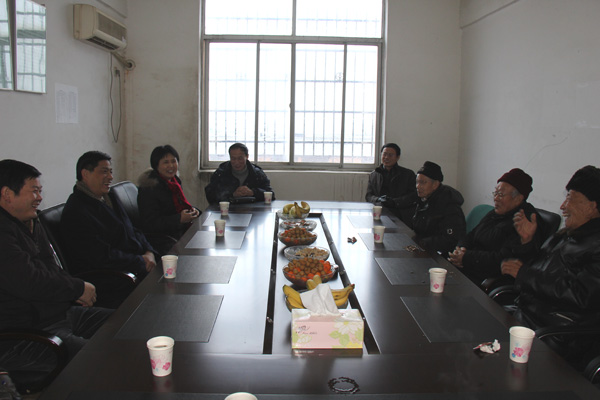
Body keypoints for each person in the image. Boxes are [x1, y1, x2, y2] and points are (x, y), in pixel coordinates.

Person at [0, 160, 112, 388]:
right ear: (7, 194)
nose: (39, 197)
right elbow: (30, 281)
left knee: (127, 325)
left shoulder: (31, 220)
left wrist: (73, 287)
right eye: (34, 191)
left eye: (40, 191)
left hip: (58, 314)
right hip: (24, 335)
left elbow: (52, 267)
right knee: (103, 361)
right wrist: (76, 288)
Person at [501, 165, 600, 370]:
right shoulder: (566, 235)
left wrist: (525, 274)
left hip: (556, 334)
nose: (563, 206)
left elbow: (581, 295)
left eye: (571, 198)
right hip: (527, 316)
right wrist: (527, 243)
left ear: (593, 206)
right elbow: (538, 270)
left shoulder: (595, 246)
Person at [61, 151, 156, 280]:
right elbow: (101, 256)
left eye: (111, 172)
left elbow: (131, 229)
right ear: (85, 174)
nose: (110, 177)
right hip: (112, 275)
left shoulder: (109, 197)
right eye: (104, 172)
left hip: (136, 261)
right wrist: (140, 260)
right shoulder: (76, 211)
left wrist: (149, 251)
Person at [448, 168, 544, 286]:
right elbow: (472, 234)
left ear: (518, 198)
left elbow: (504, 260)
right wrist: (460, 249)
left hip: (486, 278)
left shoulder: (524, 222)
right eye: (496, 193)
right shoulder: (496, 213)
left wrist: (466, 257)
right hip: (468, 267)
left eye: (501, 195)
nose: (496, 198)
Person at [137, 145, 200, 254]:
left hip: (177, 232)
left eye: (173, 161)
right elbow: (150, 224)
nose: (171, 166)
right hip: (162, 240)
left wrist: (193, 211)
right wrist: (179, 219)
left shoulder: (174, 182)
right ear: (156, 165)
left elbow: (177, 207)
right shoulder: (149, 188)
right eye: (165, 162)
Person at [412, 161, 466, 255]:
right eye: (417, 182)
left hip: (441, 255)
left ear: (435, 184)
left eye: (422, 182)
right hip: (425, 247)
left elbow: (450, 240)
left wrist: (424, 242)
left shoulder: (449, 204)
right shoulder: (424, 199)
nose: (418, 186)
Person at [365, 143, 417, 226]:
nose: (386, 157)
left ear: (397, 157)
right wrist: (378, 199)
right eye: (384, 154)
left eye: (390, 155)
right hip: (379, 213)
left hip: (401, 215)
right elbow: (369, 196)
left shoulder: (408, 174)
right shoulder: (374, 174)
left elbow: (413, 196)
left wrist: (394, 202)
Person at [205, 143, 275, 204]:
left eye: (240, 158)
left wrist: (253, 192)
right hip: (228, 210)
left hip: (253, 210)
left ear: (247, 157)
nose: (237, 162)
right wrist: (232, 194)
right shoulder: (221, 173)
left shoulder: (257, 173)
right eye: (233, 158)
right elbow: (210, 196)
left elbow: (271, 195)